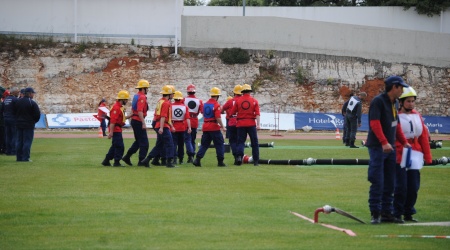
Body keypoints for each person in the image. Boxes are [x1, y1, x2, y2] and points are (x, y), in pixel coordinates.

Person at [364, 75, 411, 224]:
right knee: (377, 180)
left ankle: (386, 213)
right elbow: (375, 124)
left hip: (389, 148)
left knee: (390, 181)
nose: (402, 90)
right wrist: (384, 142)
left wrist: (404, 142)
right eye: (401, 87)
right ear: (394, 87)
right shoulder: (378, 101)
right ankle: (375, 213)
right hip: (378, 147)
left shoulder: (395, 103)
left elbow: (395, 124)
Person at [393, 86, 432, 222]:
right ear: (401, 102)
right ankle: (397, 212)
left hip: (415, 153)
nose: (411, 104)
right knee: (400, 186)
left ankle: (408, 212)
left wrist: (427, 156)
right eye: (408, 101)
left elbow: (423, 138)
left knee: (414, 186)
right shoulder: (395, 116)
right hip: (400, 153)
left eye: (413, 101)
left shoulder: (417, 116)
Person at [140, 85, 176, 168]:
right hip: (163, 125)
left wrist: (171, 125)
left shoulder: (160, 101)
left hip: (159, 124)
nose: (173, 95)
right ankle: (169, 162)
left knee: (160, 145)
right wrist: (162, 127)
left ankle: (147, 159)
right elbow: (163, 116)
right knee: (170, 144)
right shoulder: (166, 103)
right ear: (169, 94)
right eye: (172, 94)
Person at [192, 87, 227, 167]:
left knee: (204, 144)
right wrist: (222, 126)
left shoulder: (205, 104)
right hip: (214, 126)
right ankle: (220, 161)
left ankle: (197, 159)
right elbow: (217, 117)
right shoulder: (216, 105)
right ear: (217, 96)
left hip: (206, 126)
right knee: (219, 144)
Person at [230, 84, 261, 166]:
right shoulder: (254, 101)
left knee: (240, 142)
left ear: (242, 92)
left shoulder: (238, 101)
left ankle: (239, 157)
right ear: (250, 92)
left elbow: (232, 113)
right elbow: (257, 114)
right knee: (254, 142)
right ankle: (256, 161)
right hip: (251, 123)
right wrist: (258, 125)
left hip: (240, 124)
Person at [122, 79, 150, 166]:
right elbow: (140, 110)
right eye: (147, 88)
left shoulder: (136, 96)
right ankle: (141, 161)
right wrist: (143, 123)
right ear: (143, 88)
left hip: (134, 120)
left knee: (138, 142)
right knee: (144, 143)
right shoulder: (142, 97)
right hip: (138, 120)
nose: (148, 90)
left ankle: (127, 157)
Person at [101, 90, 130, 167]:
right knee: (120, 146)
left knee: (115, 146)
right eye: (126, 99)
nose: (127, 101)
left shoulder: (119, 107)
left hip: (117, 128)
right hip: (116, 129)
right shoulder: (116, 108)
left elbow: (121, 119)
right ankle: (116, 162)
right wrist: (111, 132)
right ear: (122, 99)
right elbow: (113, 121)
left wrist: (131, 115)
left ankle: (106, 160)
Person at [13, 87, 41, 162]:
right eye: (33, 93)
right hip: (28, 124)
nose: (33, 95)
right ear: (30, 94)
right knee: (27, 141)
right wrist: (33, 121)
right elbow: (37, 114)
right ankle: (26, 158)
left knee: (19, 141)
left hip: (19, 124)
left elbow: (14, 112)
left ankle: (19, 158)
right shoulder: (32, 102)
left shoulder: (18, 102)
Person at [222, 85, 242, 165]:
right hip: (240, 122)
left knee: (232, 141)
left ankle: (236, 156)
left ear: (234, 93)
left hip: (232, 122)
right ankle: (240, 156)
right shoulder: (242, 101)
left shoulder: (230, 101)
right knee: (240, 140)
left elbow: (222, 108)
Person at [171, 91, 193, 164]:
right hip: (182, 127)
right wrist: (189, 127)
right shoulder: (184, 107)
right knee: (181, 144)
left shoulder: (171, 106)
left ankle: (174, 158)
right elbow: (187, 118)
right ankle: (181, 159)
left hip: (174, 126)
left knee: (174, 143)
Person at [184, 84, 203, 163]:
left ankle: (190, 155)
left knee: (187, 139)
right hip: (195, 120)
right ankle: (192, 154)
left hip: (186, 120)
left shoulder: (184, 100)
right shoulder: (199, 101)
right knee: (193, 139)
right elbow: (202, 111)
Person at [3, 87, 19, 155]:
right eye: (17, 92)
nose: (18, 93)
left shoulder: (6, 99)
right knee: (14, 135)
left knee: (8, 135)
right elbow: (18, 109)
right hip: (13, 119)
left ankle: (8, 150)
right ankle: (13, 151)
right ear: (14, 92)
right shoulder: (15, 99)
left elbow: (3, 109)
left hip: (6, 118)